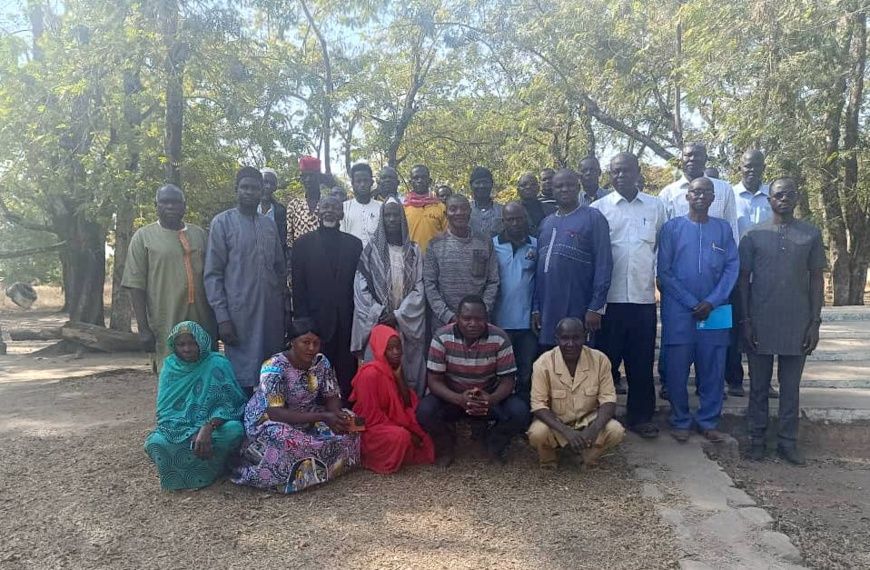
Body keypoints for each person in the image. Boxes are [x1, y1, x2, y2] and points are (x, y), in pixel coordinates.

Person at [739, 178, 825, 465]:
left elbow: (816, 279)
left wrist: (814, 322)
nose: (784, 199)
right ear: (769, 200)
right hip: (759, 320)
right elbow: (743, 281)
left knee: (790, 388)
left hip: (797, 322)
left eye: (789, 194)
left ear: (797, 198)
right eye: (778, 195)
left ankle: (788, 443)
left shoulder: (811, 234)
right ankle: (757, 440)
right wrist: (745, 321)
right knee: (758, 386)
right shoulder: (752, 235)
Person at [232, 319, 360, 493]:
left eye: (316, 343)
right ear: (292, 342)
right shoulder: (274, 367)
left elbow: (332, 395)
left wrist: (336, 416)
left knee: (352, 424)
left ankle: (318, 468)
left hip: (308, 416)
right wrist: (324, 417)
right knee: (286, 440)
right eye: (305, 342)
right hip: (269, 422)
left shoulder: (321, 362)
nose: (311, 348)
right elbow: (276, 413)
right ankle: (292, 473)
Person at [657, 177, 739, 443]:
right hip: (679, 310)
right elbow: (664, 272)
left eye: (706, 192)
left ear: (714, 198)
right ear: (687, 196)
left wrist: (713, 301)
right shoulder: (671, 228)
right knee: (677, 368)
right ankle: (680, 419)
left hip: (717, 310)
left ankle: (708, 421)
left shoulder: (723, 228)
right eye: (695, 192)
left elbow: (732, 268)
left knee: (714, 366)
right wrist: (692, 302)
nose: (701, 196)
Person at [591, 153, 666, 438]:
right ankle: (598, 418)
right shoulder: (599, 209)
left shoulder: (656, 207)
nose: (620, 175)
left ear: (638, 172)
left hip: (643, 299)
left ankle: (640, 417)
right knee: (604, 362)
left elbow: (660, 249)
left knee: (641, 362)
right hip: (609, 302)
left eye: (626, 170)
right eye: (615, 171)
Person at [417, 295, 530, 465]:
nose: (473, 323)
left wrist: (491, 399)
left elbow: (508, 380)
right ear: (457, 318)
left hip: (488, 397)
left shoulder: (500, 338)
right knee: (425, 411)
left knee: (519, 411)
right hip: (453, 397)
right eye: (467, 318)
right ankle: (446, 446)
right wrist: (459, 399)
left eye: (479, 319)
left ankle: (494, 444)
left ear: (486, 319)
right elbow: (434, 381)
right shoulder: (441, 337)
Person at [204, 167, 286, 390]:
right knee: (242, 377)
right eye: (245, 187)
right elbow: (213, 274)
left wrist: (284, 309)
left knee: (271, 374)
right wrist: (222, 318)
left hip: (270, 314)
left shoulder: (269, 225)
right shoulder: (222, 223)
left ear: (262, 191)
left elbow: (279, 268)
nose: (249, 192)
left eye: (254, 188)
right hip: (239, 315)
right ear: (236, 190)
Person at [122, 184, 217, 373]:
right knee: (170, 372)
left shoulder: (199, 234)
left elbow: (213, 278)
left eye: (175, 202)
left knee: (206, 372)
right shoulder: (143, 237)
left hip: (202, 320)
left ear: (184, 205)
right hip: (165, 320)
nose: (170, 206)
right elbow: (135, 285)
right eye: (165, 202)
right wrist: (143, 328)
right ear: (155, 205)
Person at [144, 321, 247, 490]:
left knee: (234, 430)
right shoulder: (169, 367)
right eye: (181, 344)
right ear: (174, 346)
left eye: (192, 343)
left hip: (214, 426)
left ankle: (215, 470)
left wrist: (207, 427)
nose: (187, 349)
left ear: (201, 342)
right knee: (155, 443)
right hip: (178, 427)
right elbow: (164, 410)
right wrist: (191, 431)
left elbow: (233, 404)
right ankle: (179, 478)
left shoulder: (217, 363)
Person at [352, 198, 427, 393]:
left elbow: (419, 287)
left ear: (402, 218)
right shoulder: (370, 251)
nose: (392, 219)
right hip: (379, 321)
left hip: (405, 323)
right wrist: (379, 313)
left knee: (407, 370)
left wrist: (399, 315)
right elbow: (361, 289)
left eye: (396, 215)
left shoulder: (414, 251)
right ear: (382, 218)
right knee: (378, 373)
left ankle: (409, 406)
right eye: (387, 215)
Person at [528, 318, 625, 469]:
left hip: (589, 422)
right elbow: (538, 405)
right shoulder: (542, 363)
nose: (570, 344)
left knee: (616, 431)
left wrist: (593, 429)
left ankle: (588, 457)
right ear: (556, 339)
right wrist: (566, 431)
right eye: (565, 338)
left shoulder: (600, 360)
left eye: (576, 338)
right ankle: (548, 460)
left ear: (585, 337)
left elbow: (608, 400)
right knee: (537, 433)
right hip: (557, 424)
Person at [292, 195, 363, 401]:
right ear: (318, 212)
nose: (329, 211)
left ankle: (345, 411)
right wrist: (303, 324)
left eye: (334, 207)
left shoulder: (354, 245)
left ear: (341, 214)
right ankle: (316, 411)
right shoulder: (302, 245)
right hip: (315, 323)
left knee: (346, 374)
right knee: (315, 373)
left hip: (347, 321)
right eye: (325, 207)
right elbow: (298, 287)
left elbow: (359, 285)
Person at [533, 168, 612, 350]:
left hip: (579, 305)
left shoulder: (593, 217)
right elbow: (538, 271)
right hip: (547, 308)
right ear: (552, 190)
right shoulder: (546, 223)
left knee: (579, 357)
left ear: (578, 187)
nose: (564, 189)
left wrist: (595, 307)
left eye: (569, 185)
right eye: (559, 186)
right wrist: (536, 308)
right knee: (550, 359)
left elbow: (604, 264)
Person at [350, 324, 435, 474]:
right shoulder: (370, 374)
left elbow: (407, 403)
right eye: (389, 349)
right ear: (380, 349)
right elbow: (368, 416)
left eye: (398, 348)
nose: (396, 352)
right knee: (401, 436)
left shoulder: (394, 368)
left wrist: (399, 378)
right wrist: (404, 428)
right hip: (371, 427)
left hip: (392, 420)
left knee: (424, 425)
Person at [728, 149, 773, 397]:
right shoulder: (729, 195)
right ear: (740, 168)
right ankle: (734, 379)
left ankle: (764, 381)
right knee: (733, 326)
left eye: (757, 165)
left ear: (763, 167)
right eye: (747, 166)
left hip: (766, 274)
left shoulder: (773, 195)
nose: (752, 170)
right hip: (735, 274)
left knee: (765, 327)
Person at [424, 194, 499, 331]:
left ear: (470, 211)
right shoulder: (435, 244)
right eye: (453, 209)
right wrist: (448, 316)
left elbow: (493, 281)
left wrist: (480, 313)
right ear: (446, 214)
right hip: (444, 324)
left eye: (463, 208)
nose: (459, 213)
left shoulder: (485, 242)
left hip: (478, 323)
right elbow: (429, 284)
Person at [492, 201, 538, 403]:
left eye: (519, 218)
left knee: (526, 371)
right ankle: (501, 412)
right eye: (510, 219)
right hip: (499, 323)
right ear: (503, 221)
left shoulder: (536, 245)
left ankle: (522, 413)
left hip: (527, 324)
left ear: (525, 219)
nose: (515, 223)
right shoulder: (491, 245)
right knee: (501, 372)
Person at [659, 143, 739, 242]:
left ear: (705, 159)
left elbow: (732, 229)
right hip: (679, 250)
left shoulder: (724, 189)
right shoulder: (668, 193)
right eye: (688, 155)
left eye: (697, 155)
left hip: (715, 250)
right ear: (681, 159)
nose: (692, 159)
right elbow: (663, 235)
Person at [404, 164, 446, 253]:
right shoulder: (404, 207)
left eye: (423, 177)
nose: (420, 180)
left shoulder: (441, 207)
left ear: (429, 181)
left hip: (436, 257)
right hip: (411, 258)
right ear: (410, 182)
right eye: (416, 178)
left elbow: (448, 235)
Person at [286, 155, 324, 250]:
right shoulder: (294, 205)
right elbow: (290, 237)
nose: (308, 179)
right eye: (305, 176)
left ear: (319, 177)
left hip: (324, 255)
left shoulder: (328, 204)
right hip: (299, 256)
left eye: (311, 175)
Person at [341, 163, 382, 248]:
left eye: (365, 180)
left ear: (371, 182)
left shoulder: (381, 207)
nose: (362, 184)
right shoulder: (343, 208)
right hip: (350, 254)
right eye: (358, 181)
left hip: (376, 255)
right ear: (352, 183)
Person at [259, 168, 288, 253]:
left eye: (272, 184)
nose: (268, 186)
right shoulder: (247, 208)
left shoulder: (281, 211)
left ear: (275, 188)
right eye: (265, 182)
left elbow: (282, 239)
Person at [517, 172, 555, 236]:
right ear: (518, 190)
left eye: (532, 184)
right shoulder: (512, 210)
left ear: (538, 188)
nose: (528, 187)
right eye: (524, 185)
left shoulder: (551, 210)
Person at [469, 166, 503, 237]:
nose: (482, 186)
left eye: (485, 182)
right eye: (478, 183)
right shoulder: (464, 211)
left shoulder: (502, 210)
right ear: (471, 185)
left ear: (492, 184)